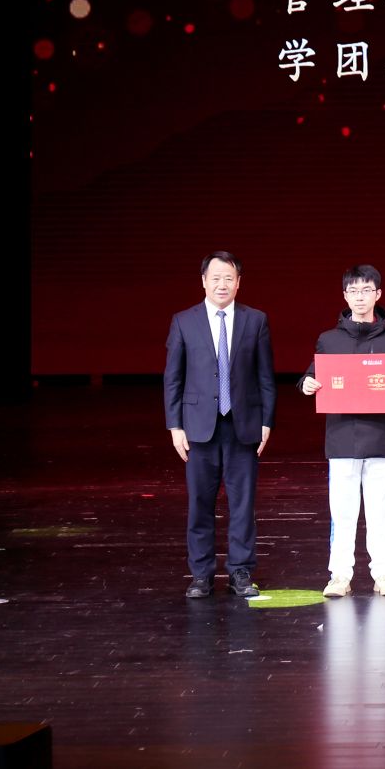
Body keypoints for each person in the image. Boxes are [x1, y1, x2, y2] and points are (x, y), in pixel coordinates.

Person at [298, 264, 385, 598]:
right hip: (341, 437)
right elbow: (310, 375)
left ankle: (384, 574)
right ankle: (339, 575)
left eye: (366, 290)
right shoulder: (329, 340)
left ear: (378, 294)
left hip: (380, 436)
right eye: (353, 291)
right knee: (342, 511)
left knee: (381, 510)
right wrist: (306, 383)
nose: (360, 297)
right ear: (345, 296)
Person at [164, 251, 276, 600]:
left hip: (244, 425)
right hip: (198, 428)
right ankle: (201, 574)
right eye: (215, 278)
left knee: (243, 503)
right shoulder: (184, 321)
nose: (222, 284)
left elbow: (265, 376)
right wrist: (175, 426)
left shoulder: (255, 320)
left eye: (229, 278)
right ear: (203, 281)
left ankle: (241, 572)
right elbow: (173, 378)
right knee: (200, 503)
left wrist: (267, 421)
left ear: (239, 282)